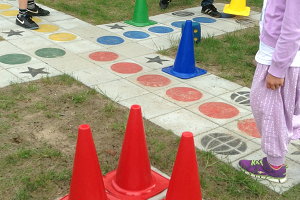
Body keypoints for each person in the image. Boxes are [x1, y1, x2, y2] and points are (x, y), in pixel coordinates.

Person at [239, 0, 300, 183]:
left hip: (281, 59)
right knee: (283, 110)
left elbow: (292, 27)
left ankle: (274, 167)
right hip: (279, 54)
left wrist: (278, 68)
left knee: (270, 112)